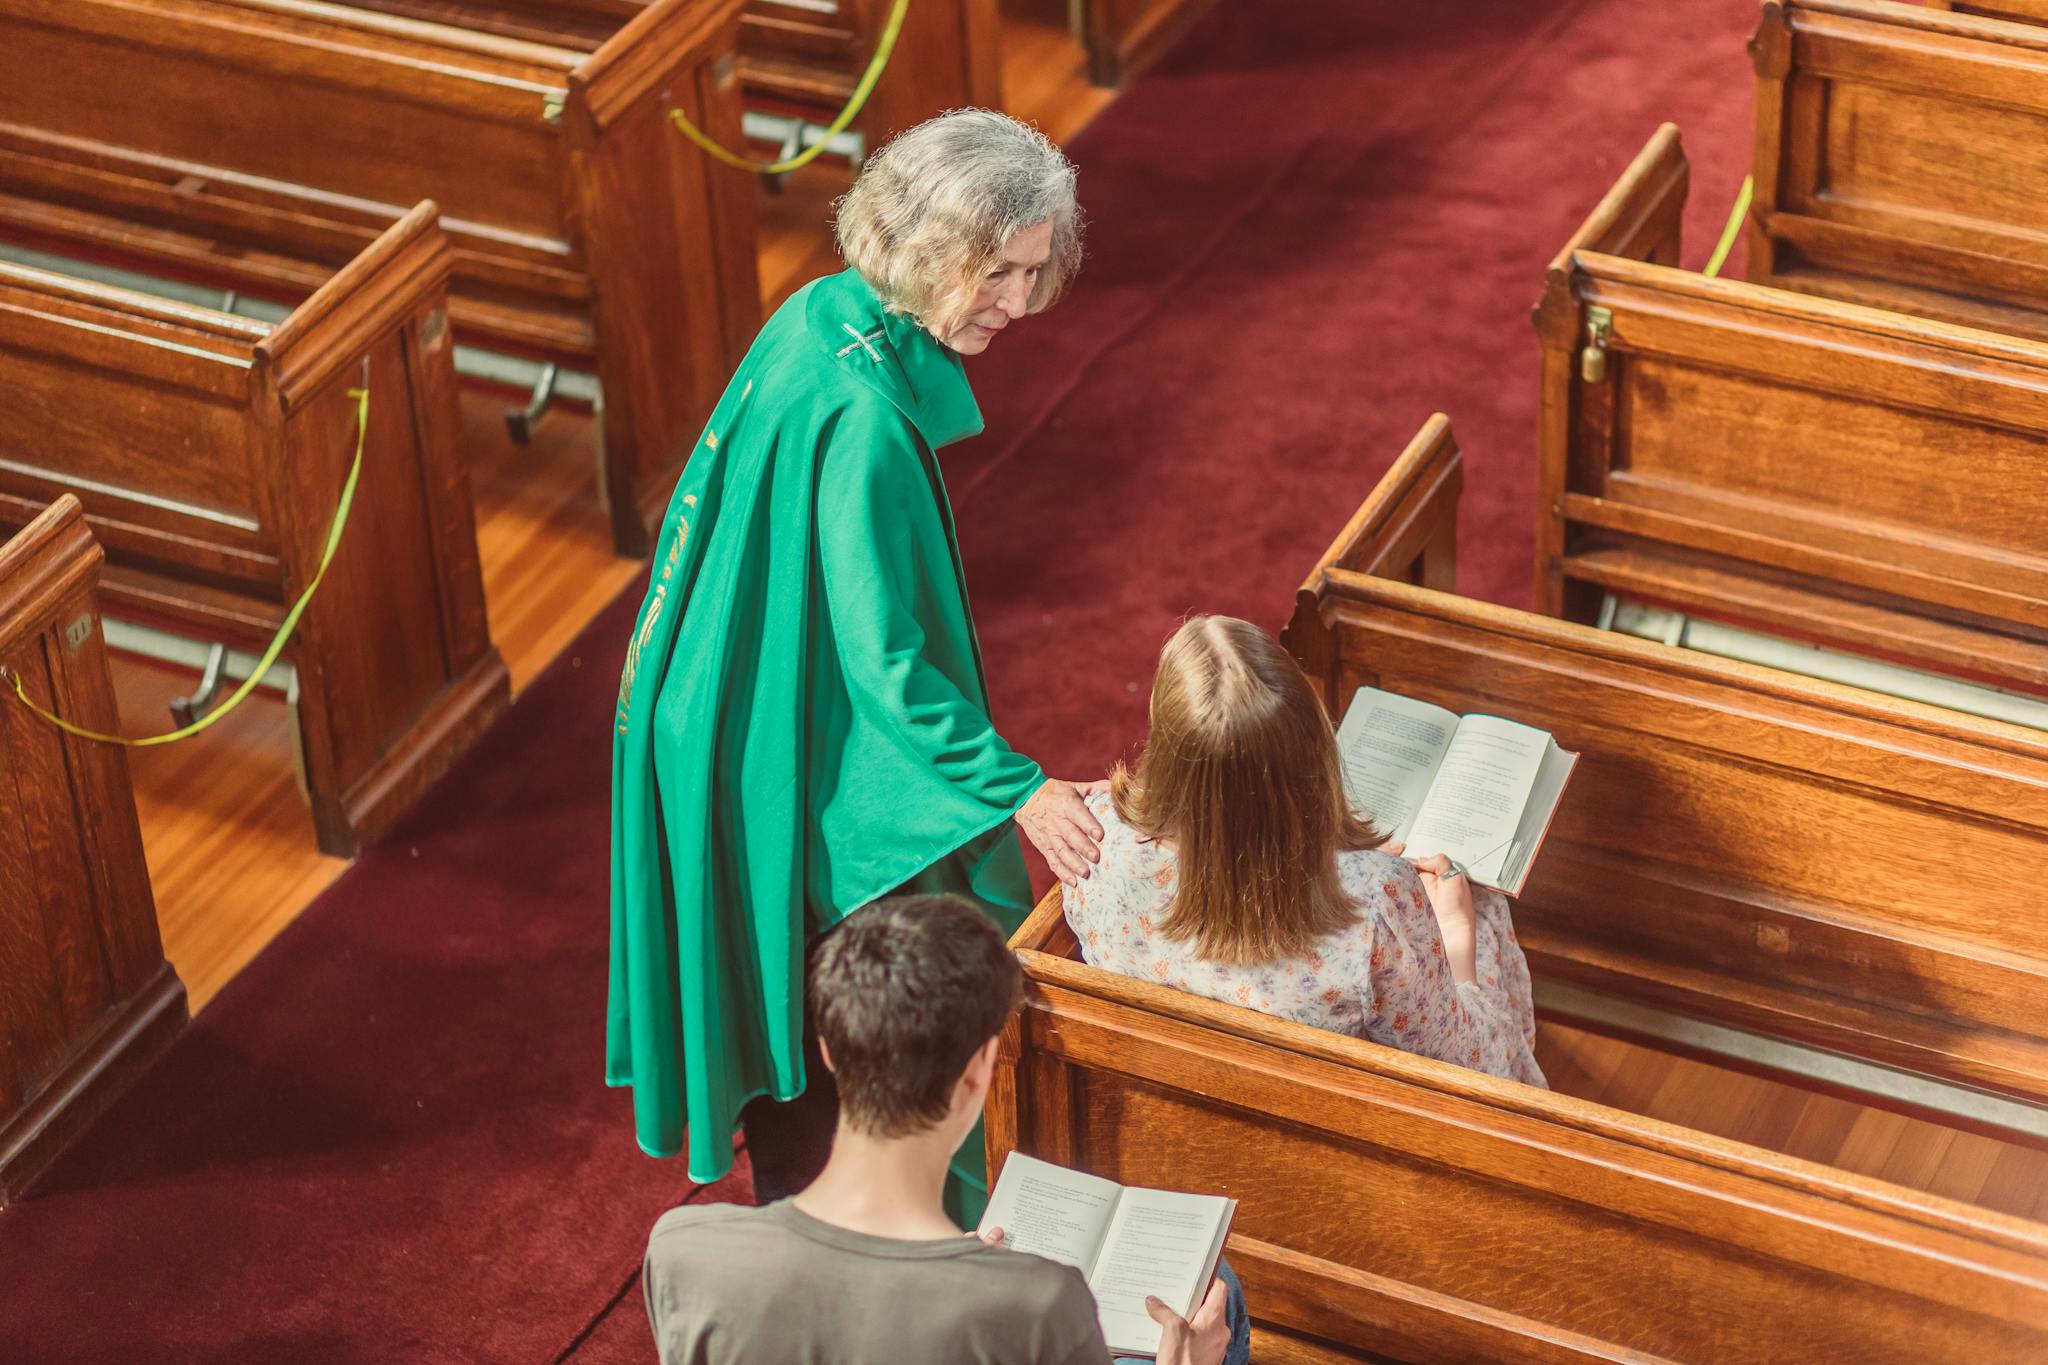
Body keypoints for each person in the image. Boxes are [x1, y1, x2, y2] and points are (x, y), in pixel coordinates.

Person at [609, 110, 1110, 1222]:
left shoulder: (819, 313)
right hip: (767, 729)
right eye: (998, 273)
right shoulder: (864, 420)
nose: (1016, 305)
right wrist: (1019, 788)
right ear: (928, 250)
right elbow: (886, 667)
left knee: (780, 981)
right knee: (917, 962)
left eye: (1031, 272)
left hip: (711, 698)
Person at [642, 895, 1250, 1365]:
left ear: (828, 1049)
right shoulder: (1037, 1303)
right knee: (1213, 1288)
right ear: (978, 1071)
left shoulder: (680, 1248)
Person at [1063, 616, 1546, 1086]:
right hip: (1343, 1125)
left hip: (1166, 1090)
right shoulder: (1373, 902)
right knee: (1480, 903)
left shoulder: (1093, 835)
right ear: (1309, 745)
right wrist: (1457, 933)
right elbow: (1469, 1067)